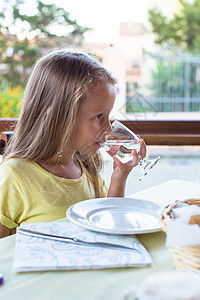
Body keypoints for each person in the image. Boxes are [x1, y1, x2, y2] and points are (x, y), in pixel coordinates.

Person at [0, 49, 146, 238]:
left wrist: (120, 176)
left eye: (108, 116)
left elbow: (108, 229)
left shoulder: (85, 168)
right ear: (57, 116)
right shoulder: (14, 176)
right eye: (99, 116)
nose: (108, 129)